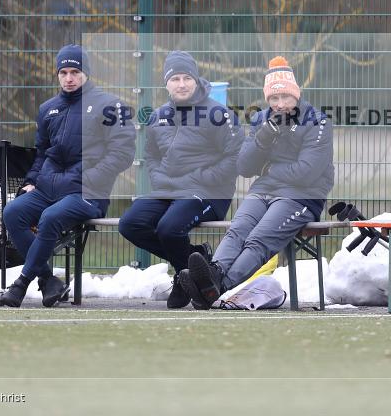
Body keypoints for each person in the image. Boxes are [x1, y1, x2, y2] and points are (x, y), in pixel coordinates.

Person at [179, 56, 334, 309]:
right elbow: (244, 167)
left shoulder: (317, 122)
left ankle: (215, 287)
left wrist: (269, 168)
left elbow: (307, 172)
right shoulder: (261, 119)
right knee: (237, 232)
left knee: (258, 240)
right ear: (267, 99)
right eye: (274, 98)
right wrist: (262, 139)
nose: (280, 104)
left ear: (297, 94)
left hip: (302, 196)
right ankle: (212, 278)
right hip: (263, 191)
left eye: (286, 97)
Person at [0, 45, 135, 307]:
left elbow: (122, 154)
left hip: (87, 192)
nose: (69, 78)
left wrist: (91, 179)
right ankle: (49, 281)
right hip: (47, 189)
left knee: (50, 218)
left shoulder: (110, 105)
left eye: (75, 71)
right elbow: (41, 154)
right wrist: (30, 181)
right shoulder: (48, 108)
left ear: (87, 73)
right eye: (63, 72)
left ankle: (21, 284)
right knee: (12, 212)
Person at [118, 51, 242, 309]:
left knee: (168, 228)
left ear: (196, 80)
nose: (182, 84)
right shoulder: (158, 116)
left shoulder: (219, 114)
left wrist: (201, 177)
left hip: (207, 192)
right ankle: (194, 269)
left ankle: (187, 277)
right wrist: (157, 175)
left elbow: (235, 158)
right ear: (166, 83)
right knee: (129, 224)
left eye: (187, 78)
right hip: (168, 190)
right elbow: (150, 155)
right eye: (175, 78)